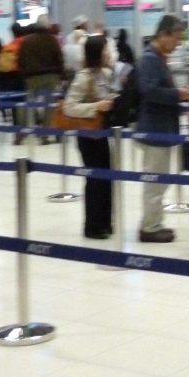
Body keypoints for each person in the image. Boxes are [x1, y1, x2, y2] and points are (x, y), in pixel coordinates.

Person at [136, 15, 189, 242]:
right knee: (154, 182)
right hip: (154, 129)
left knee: (160, 181)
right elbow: (150, 91)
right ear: (163, 35)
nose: (177, 44)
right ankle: (149, 227)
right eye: (176, 39)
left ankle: (154, 222)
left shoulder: (158, 58)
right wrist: (179, 94)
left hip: (161, 128)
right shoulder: (149, 59)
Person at [61, 35, 120, 240]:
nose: (109, 53)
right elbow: (69, 107)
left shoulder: (106, 73)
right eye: (105, 49)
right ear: (97, 53)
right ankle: (93, 226)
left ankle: (106, 222)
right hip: (87, 135)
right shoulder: (83, 77)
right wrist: (96, 106)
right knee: (94, 180)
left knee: (106, 178)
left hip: (102, 133)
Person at [19, 19, 64, 126]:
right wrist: (62, 76)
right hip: (51, 76)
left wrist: (24, 74)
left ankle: (27, 127)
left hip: (31, 77)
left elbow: (21, 60)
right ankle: (46, 129)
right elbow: (59, 59)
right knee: (49, 104)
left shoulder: (27, 40)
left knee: (30, 102)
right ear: (47, 26)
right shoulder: (52, 40)